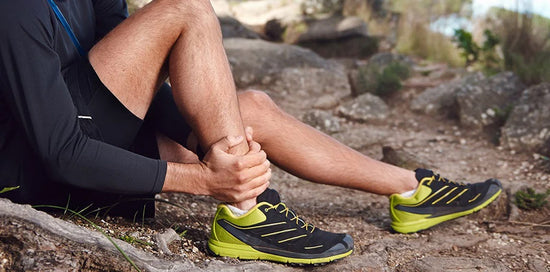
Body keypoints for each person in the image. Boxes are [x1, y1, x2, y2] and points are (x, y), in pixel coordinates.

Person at [0, 0, 502, 265]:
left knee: (251, 108)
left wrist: (219, 140)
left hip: (97, 133)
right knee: (185, 6)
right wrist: (205, 180)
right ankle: (244, 213)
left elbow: (137, 85)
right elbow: (60, 151)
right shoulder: (15, 9)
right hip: (44, 173)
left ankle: (410, 190)